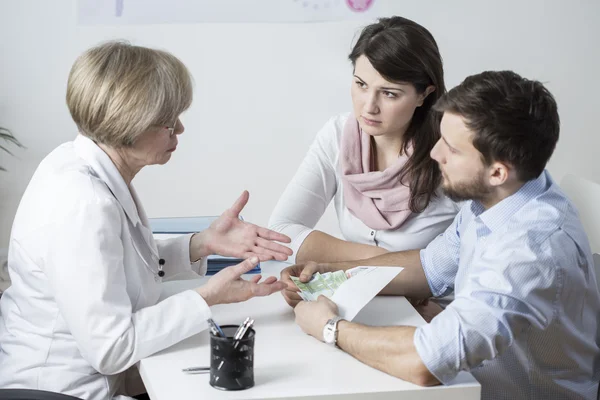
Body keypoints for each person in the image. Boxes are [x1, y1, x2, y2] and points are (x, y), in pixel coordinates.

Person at [0, 41, 292, 400]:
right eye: (168, 121)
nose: (180, 129)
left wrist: (201, 243)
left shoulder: (80, 163)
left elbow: (114, 261)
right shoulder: (82, 204)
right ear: (130, 122)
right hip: (65, 390)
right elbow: (112, 349)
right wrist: (207, 298)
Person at [282, 70, 600, 399]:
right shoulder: (504, 195)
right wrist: (337, 274)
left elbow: (426, 363)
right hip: (470, 382)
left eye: (451, 148)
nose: (434, 154)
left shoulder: (528, 252)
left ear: (497, 171)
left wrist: (329, 327)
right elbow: (428, 267)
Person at [268, 16, 459, 265]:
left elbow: (484, 253)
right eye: (361, 84)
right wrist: (387, 262)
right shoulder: (337, 135)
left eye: (389, 93)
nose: (369, 107)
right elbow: (281, 232)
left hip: (433, 303)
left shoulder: (454, 153)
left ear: (424, 94)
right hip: (357, 292)